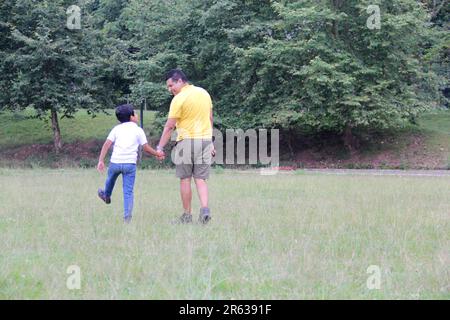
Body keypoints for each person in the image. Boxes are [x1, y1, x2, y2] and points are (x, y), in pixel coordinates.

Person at [156, 69, 215, 224]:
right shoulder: (204, 93)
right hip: (205, 141)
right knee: (201, 179)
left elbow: (169, 126)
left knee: (185, 179)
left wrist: (160, 147)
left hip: (186, 142)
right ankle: (204, 209)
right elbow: (209, 118)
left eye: (171, 86)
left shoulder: (179, 99)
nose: (170, 90)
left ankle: (187, 216)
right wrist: (211, 142)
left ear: (180, 80)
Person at [97, 104, 164, 223]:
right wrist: (157, 154)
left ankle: (106, 195)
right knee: (128, 191)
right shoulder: (138, 130)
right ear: (131, 117)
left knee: (110, 180)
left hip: (115, 163)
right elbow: (146, 148)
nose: (137, 115)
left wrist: (101, 160)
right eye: (135, 113)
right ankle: (127, 217)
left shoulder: (116, 129)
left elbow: (107, 144)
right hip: (130, 165)